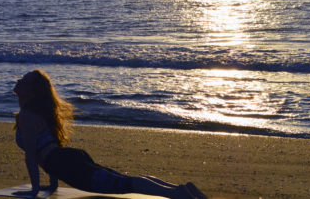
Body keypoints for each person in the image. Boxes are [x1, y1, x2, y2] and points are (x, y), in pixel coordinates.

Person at [13, 69, 207, 199]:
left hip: (66, 164)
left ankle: (178, 194)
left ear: (31, 92)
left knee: (124, 184)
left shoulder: (28, 115)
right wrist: (52, 185)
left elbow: (32, 155)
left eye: (24, 80)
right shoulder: (37, 112)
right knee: (122, 181)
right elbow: (48, 151)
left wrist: (35, 190)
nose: (18, 80)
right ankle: (179, 189)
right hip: (66, 160)